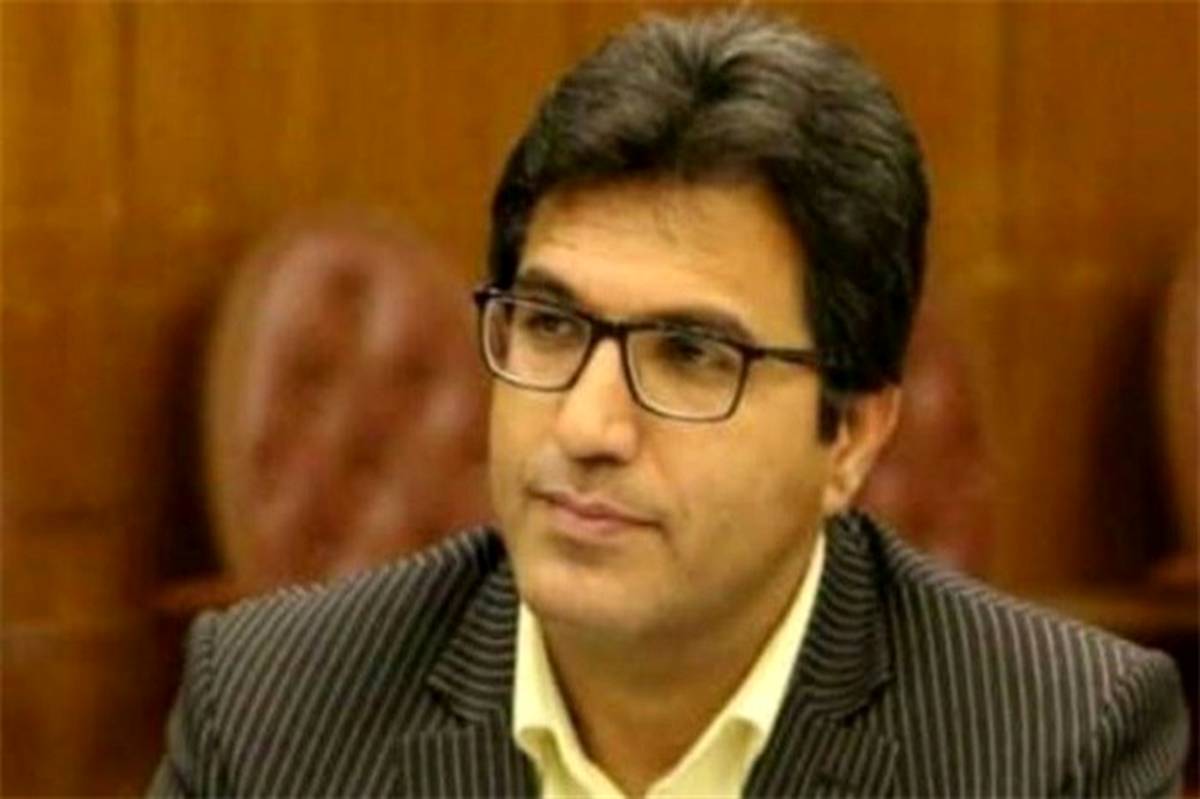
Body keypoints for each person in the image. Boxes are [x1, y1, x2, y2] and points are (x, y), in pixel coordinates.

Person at [150, 11, 1188, 797]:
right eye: (550, 326)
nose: (586, 427)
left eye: (692, 355)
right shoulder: (278, 708)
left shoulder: (1052, 745)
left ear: (851, 436)